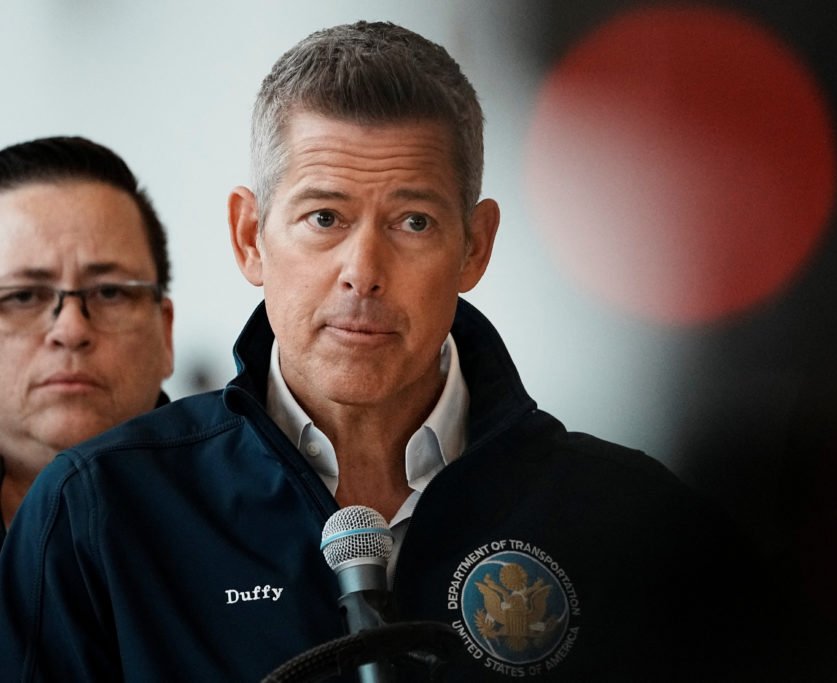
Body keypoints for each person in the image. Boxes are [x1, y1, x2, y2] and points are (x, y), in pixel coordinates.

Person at [0, 23, 756, 681]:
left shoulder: (632, 522)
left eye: (414, 222)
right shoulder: (100, 515)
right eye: (324, 216)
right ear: (247, 236)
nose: (363, 269)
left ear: (476, 245)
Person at [0, 136, 174, 548]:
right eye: (24, 296)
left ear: (165, 333)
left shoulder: (257, 521)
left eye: (111, 293)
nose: (71, 331)